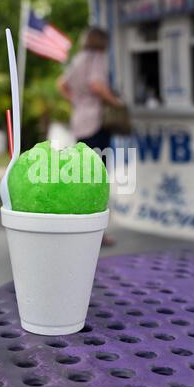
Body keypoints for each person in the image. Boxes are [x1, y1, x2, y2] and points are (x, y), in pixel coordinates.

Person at [57, 27, 122, 246]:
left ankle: (81, 228)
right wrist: (115, 102)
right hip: (95, 123)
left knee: (83, 176)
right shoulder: (97, 58)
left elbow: (61, 85)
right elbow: (97, 85)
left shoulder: (77, 59)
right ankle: (97, 232)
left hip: (79, 123)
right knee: (98, 179)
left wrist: (77, 102)